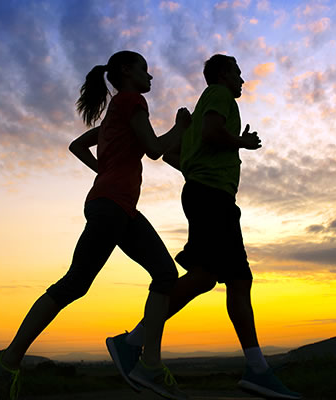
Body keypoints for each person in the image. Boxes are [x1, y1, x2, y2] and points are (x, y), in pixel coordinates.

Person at [0, 50, 191, 400]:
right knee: (75, 283)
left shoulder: (115, 113)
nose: (151, 76)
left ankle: (150, 366)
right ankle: (6, 362)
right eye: (145, 69)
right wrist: (182, 127)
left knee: (165, 275)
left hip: (117, 207)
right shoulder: (130, 100)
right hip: (111, 207)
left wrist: (105, 172)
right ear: (127, 71)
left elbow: (78, 145)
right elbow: (155, 149)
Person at [107, 54, 301, 399]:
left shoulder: (199, 113)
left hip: (206, 194)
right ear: (223, 74)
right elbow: (212, 133)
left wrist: (196, 170)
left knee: (207, 278)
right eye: (238, 73)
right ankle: (257, 370)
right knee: (234, 279)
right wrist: (242, 143)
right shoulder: (218, 95)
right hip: (212, 198)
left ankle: (134, 341)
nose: (242, 80)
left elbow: (173, 155)